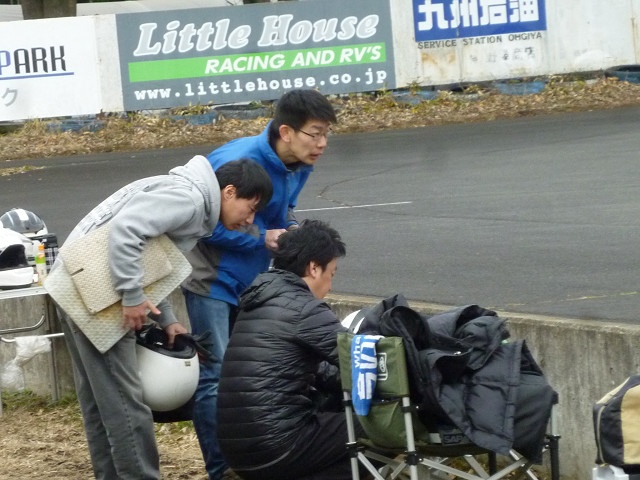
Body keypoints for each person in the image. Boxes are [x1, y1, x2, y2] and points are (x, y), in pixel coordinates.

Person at [52, 156, 273, 480]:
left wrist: (167, 317)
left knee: (102, 405)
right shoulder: (190, 200)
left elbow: (151, 259)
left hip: (73, 285)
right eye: (250, 208)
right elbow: (128, 229)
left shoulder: (186, 193)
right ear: (228, 192)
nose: (249, 220)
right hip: (97, 295)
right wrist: (131, 295)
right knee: (126, 405)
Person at [181, 89, 338, 479]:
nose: (322, 144)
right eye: (314, 134)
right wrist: (261, 237)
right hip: (211, 281)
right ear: (286, 132)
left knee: (245, 380)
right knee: (216, 378)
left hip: (252, 284)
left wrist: (293, 230)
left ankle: (249, 465)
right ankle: (222, 470)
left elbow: (283, 211)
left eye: (326, 134)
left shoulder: (299, 163)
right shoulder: (237, 161)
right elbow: (200, 223)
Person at [217, 219, 356, 480]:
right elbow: (361, 362)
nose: (330, 286)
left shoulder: (259, 299)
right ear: (314, 268)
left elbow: (302, 367)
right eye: (331, 274)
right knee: (377, 429)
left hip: (236, 449)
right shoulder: (304, 307)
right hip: (277, 445)